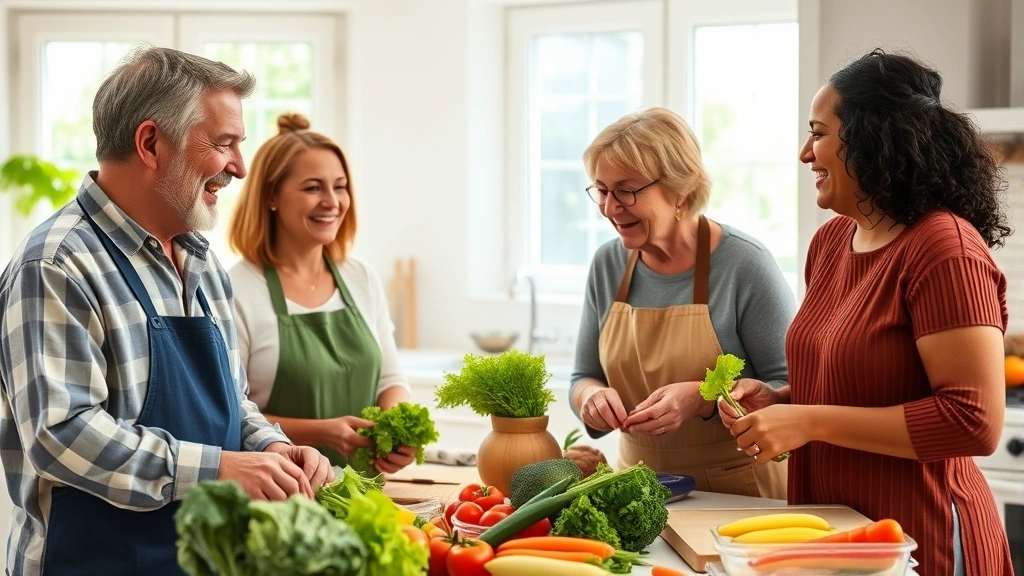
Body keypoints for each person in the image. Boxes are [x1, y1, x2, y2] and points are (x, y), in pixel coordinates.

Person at [0, 47, 334, 576]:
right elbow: (61, 435)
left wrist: (273, 449)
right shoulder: (58, 264)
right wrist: (220, 469)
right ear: (151, 143)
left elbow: (232, 400)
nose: (239, 168)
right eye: (223, 143)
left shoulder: (201, 262)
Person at [721, 49, 1013, 576]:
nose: (805, 153)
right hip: (833, 540)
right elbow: (863, 382)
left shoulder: (945, 248)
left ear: (873, 138)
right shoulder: (831, 243)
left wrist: (807, 421)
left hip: (921, 543)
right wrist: (782, 400)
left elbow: (974, 421)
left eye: (818, 133)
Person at [568, 107, 794, 499]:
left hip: (739, 491)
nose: (609, 207)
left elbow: (792, 389)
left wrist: (704, 397)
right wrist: (590, 397)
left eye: (626, 190)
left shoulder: (745, 265)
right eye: (602, 190)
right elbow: (582, 376)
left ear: (681, 190)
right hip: (638, 490)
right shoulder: (608, 265)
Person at [227, 113, 414, 473]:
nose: (332, 201)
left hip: (365, 495)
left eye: (340, 186)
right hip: (282, 497)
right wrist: (322, 434)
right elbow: (229, 415)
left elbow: (390, 380)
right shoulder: (236, 291)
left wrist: (397, 427)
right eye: (313, 188)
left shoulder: (361, 278)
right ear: (271, 197)